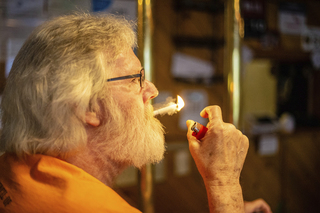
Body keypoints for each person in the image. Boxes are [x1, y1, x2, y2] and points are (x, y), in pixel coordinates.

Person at [0, 13, 267, 213]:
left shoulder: (14, 169)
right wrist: (224, 186)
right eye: (134, 79)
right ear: (88, 107)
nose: (151, 89)